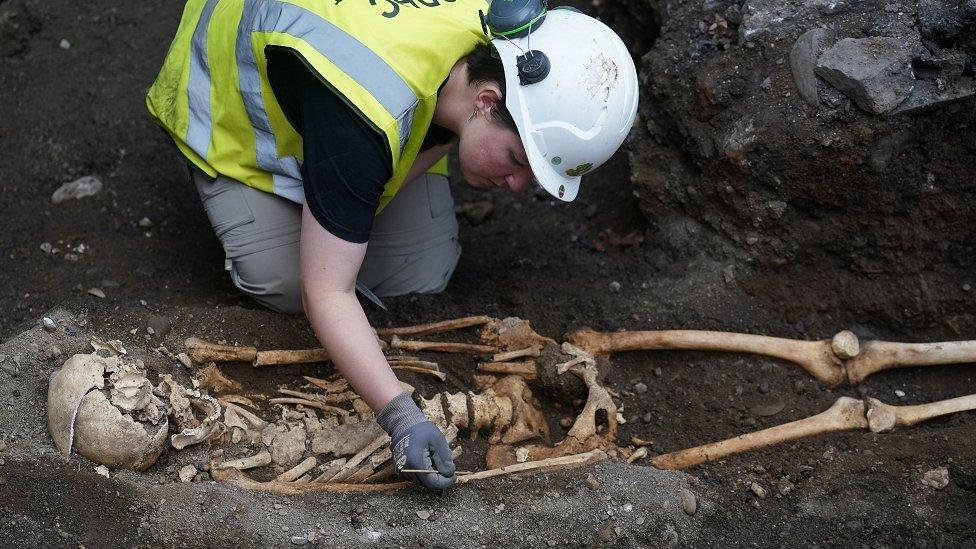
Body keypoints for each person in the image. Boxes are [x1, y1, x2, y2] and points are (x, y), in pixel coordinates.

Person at [147, 0, 638, 490]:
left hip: (363, 101)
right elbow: (328, 292)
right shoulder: (362, 116)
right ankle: (285, 195)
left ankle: (334, 199)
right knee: (293, 284)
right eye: (517, 159)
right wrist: (401, 417)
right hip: (239, 106)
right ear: (487, 100)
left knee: (420, 272)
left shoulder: (501, 33)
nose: (515, 186)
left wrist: (346, 208)